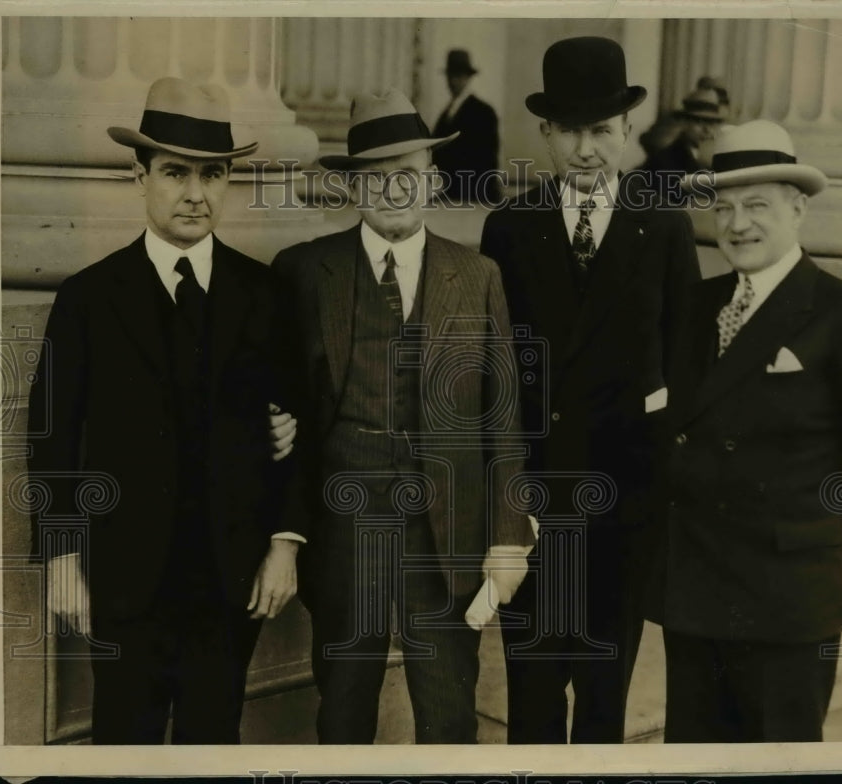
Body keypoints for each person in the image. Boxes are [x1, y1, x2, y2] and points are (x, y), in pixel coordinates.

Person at [27, 77, 303, 744]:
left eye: (214, 175)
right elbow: (55, 434)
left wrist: (285, 544)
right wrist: (63, 558)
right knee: (125, 735)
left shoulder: (264, 293)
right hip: (124, 576)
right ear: (138, 176)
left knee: (215, 734)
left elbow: (299, 426)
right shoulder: (89, 300)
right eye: (176, 172)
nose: (195, 193)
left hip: (230, 572)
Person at [270, 89, 534, 744]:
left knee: (448, 714)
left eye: (408, 173)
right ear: (354, 186)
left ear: (433, 180)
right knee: (344, 708)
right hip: (343, 524)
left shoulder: (476, 277)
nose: (394, 190)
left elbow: (503, 421)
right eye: (377, 176)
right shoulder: (304, 272)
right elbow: (275, 397)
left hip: (446, 534)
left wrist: (508, 534)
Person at [646, 119, 842, 742]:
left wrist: (836, 550)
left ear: (797, 210)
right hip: (694, 591)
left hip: (789, 603)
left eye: (757, 205)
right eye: (724, 207)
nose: (738, 223)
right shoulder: (694, 307)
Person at [479, 36, 701, 744]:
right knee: (534, 704)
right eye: (570, 130)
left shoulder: (663, 226)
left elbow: (688, 365)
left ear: (627, 129)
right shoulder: (509, 228)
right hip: (535, 507)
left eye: (601, 130)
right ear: (544, 132)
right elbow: (493, 376)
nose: (585, 149)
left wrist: (660, 487)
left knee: (605, 705)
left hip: (623, 511)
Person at [431, 49, 501, 203]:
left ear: (468, 77)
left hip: (473, 196)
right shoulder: (446, 114)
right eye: (450, 75)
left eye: (459, 75)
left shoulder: (483, 112)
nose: (453, 81)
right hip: (448, 195)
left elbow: (485, 161)